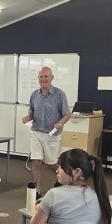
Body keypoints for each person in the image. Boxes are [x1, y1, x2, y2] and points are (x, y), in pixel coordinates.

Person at [21, 66, 70, 196]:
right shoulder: (34, 95)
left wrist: (60, 123)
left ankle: (65, 181)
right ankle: (37, 191)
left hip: (51, 134)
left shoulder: (59, 94)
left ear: (51, 78)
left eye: (46, 77)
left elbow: (67, 114)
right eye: (41, 77)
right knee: (36, 162)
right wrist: (28, 118)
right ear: (38, 78)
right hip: (36, 132)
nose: (43, 79)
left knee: (52, 164)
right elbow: (32, 112)